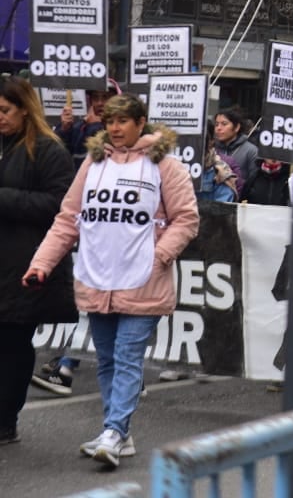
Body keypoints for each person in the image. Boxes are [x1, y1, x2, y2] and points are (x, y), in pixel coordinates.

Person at [24, 93, 199, 469]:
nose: (115, 129)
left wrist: (158, 256)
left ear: (140, 123)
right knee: (105, 359)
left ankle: (115, 432)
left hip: (143, 281)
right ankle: (117, 430)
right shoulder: (93, 163)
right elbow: (68, 219)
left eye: (122, 122)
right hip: (98, 277)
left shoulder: (165, 166)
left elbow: (186, 219)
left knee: (127, 357)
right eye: (109, 123)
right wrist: (41, 263)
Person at [0, 77, 78, 441]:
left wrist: (4, 198)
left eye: (4, 111)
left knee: (13, 341)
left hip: (27, 265)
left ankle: (5, 418)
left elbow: (61, 206)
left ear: (25, 109)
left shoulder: (48, 150)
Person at [57, 78, 120, 165]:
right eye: (95, 97)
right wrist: (64, 130)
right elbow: (61, 156)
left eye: (105, 97)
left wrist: (95, 126)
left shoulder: (121, 129)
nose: (99, 103)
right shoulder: (80, 127)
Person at [209, 107, 258, 190]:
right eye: (216, 124)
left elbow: (254, 182)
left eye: (224, 124)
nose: (218, 128)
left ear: (236, 127)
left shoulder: (251, 151)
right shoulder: (212, 149)